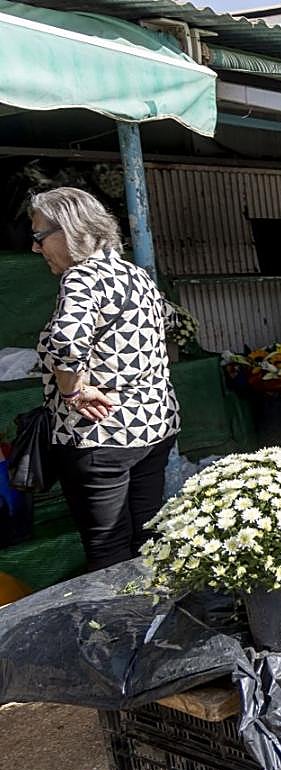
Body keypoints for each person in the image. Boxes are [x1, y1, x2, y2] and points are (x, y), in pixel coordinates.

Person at [30, 187, 180, 572]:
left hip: (101, 434)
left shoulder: (81, 277)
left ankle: (119, 628)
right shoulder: (135, 275)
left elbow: (66, 341)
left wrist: (73, 390)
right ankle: (155, 622)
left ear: (70, 229)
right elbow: (168, 323)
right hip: (153, 426)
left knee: (108, 547)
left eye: (38, 237)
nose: (35, 249)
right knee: (148, 535)